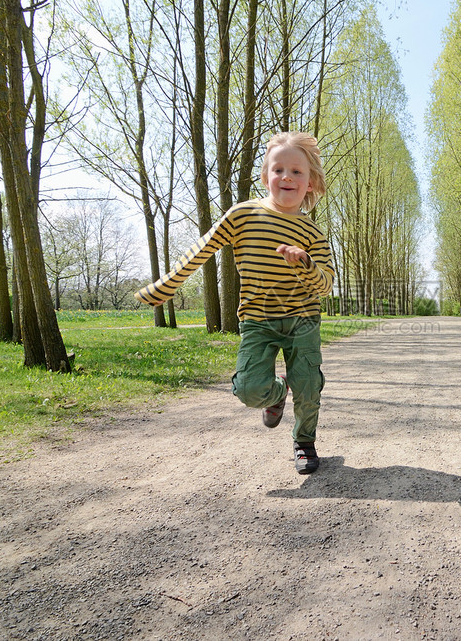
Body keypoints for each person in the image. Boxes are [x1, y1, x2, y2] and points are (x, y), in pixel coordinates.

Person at [135, 131, 334, 474]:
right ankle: (276, 394)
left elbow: (326, 286)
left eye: (297, 172)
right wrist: (167, 285)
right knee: (248, 389)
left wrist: (304, 264)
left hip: (303, 320)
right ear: (265, 176)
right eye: (278, 169)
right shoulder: (243, 215)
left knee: (308, 386)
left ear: (311, 182)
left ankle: (304, 442)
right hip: (257, 319)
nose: (287, 177)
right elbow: (203, 249)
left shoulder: (313, 235)